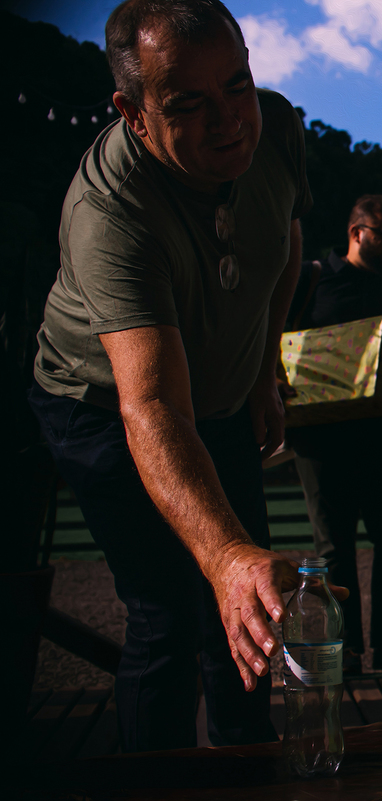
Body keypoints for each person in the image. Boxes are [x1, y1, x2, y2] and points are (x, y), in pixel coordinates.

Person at [26, 0, 316, 751]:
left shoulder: (277, 126)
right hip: (102, 403)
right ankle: (156, 782)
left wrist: (261, 370)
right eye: (189, 105)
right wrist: (220, 556)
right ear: (134, 112)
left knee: (253, 598)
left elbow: (283, 245)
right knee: (171, 609)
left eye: (238, 85)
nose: (230, 121)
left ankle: (247, 764)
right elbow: (150, 404)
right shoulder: (109, 212)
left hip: (219, 386)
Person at [286, 195, 382, 673]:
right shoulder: (314, 279)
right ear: (355, 233)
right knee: (333, 547)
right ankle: (345, 650)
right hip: (322, 440)